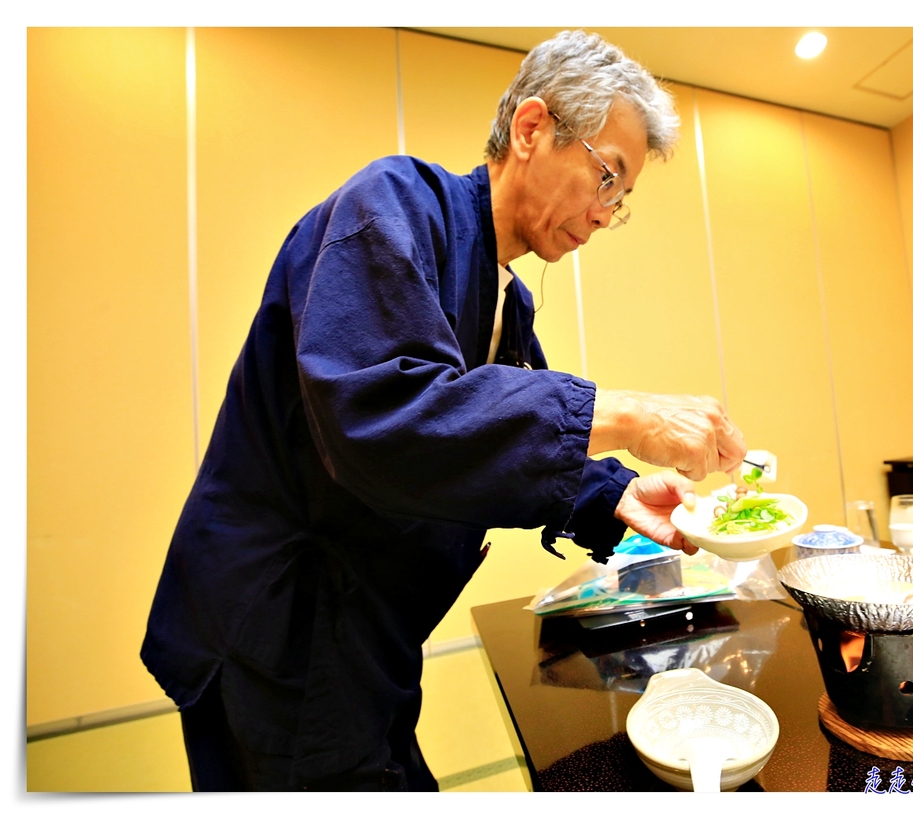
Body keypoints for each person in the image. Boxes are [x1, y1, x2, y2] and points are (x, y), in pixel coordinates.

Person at [141, 30, 748, 792]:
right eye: (605, 178)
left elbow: (489, 436)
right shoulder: (391, 205)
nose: (604, 214)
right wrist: (631, 415)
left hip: (370, 634)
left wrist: (616, 494)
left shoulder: (506, 302)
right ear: (531, 129)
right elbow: (387, 418)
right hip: (286, 630)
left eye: (619, 201)